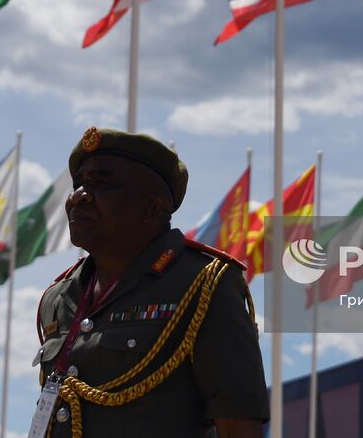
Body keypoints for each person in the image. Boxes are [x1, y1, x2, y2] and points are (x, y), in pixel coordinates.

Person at [33, 127, 268, 437]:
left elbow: (238, 425)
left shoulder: (203, 284)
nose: (78, 197)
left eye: (102, 183)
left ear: (153, 207)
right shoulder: (59, 297)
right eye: (79, 184)